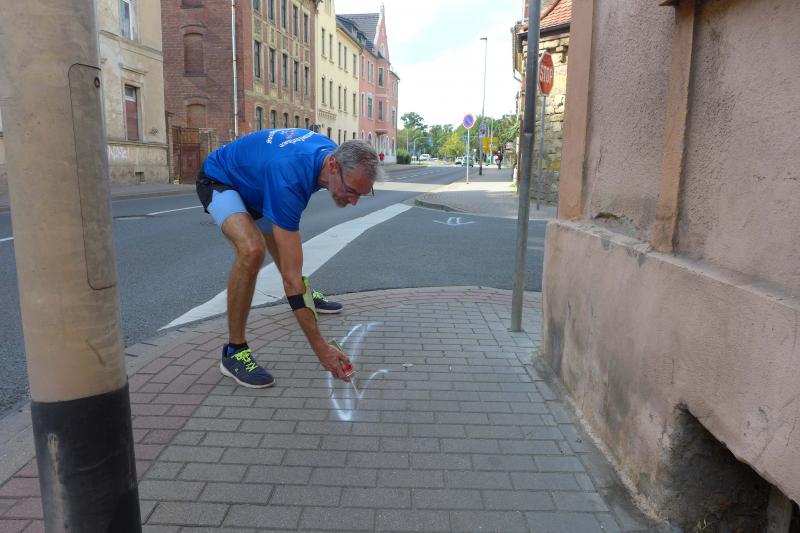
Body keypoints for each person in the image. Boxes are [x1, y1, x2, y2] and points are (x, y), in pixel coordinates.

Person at [196, 128, 381, 388]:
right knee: (252, 251)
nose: (353, 201)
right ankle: (234, 352)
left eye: (361, 194)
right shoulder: (289, 179)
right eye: (351, 190)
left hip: (261, 185)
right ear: (332, 166)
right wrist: (322, 349)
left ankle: (306, 296)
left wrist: (298, 291)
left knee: (289, 262)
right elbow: (291, 280)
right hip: (221, 179)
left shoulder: (331, 153)